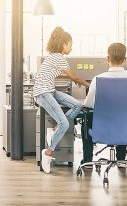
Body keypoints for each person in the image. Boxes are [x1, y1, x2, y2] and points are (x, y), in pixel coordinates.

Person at [34, 27, 90, 174]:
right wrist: (90, 85)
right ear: (64, 44)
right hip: (43, 93)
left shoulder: (53, 56)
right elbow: (75, 77)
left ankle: (55, 130)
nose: (71, 47)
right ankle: (48, 153)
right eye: (70, 44)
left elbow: (66, 75)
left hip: (50, 90)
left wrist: (75, 79)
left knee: (78, 105)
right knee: (64, 123)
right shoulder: (58, 57)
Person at [82, 43, 127, 167]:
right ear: (125, 59)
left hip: (102, 130)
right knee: (122, 117)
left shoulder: (98, 79)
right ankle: (121, 159)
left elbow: (88, 104)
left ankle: (87, 161)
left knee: (86, 118)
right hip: (126, 129)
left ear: (108, 59)